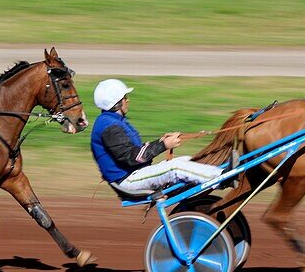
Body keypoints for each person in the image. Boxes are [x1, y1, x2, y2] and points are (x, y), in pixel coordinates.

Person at [90, 78, 223, 196]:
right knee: (175, 167)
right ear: (117, 102)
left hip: (135, 173)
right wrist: (164, 145)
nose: (128, 100)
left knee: (187, 161)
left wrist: (161, 141)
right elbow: (133, 157)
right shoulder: (108, 125)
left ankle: (217, 174)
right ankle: (222, 177)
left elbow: (134, 151)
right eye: (125, 97)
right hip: (128, 180)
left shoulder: (112, 121)